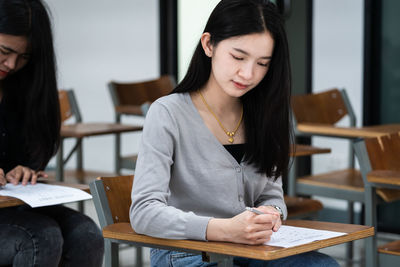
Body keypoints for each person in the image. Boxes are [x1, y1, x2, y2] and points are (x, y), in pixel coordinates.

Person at [130, 0, 339, 266]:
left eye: (262, 63)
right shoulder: (168, 113)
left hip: (248, 249)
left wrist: (271, 213)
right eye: (238, 57)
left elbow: (271, 195)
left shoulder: (264, 114)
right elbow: (143, 212)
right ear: (209, 45)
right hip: (186, 251)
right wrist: (225, 230)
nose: (248, 73)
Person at [0, 0, 104, 266]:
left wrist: (22, 170)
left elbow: (27, 154)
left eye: (24, 57)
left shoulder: (22, 88)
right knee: (39, 237)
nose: (12, 64)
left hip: (10, 206)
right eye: (4, 51)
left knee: (87, 233)